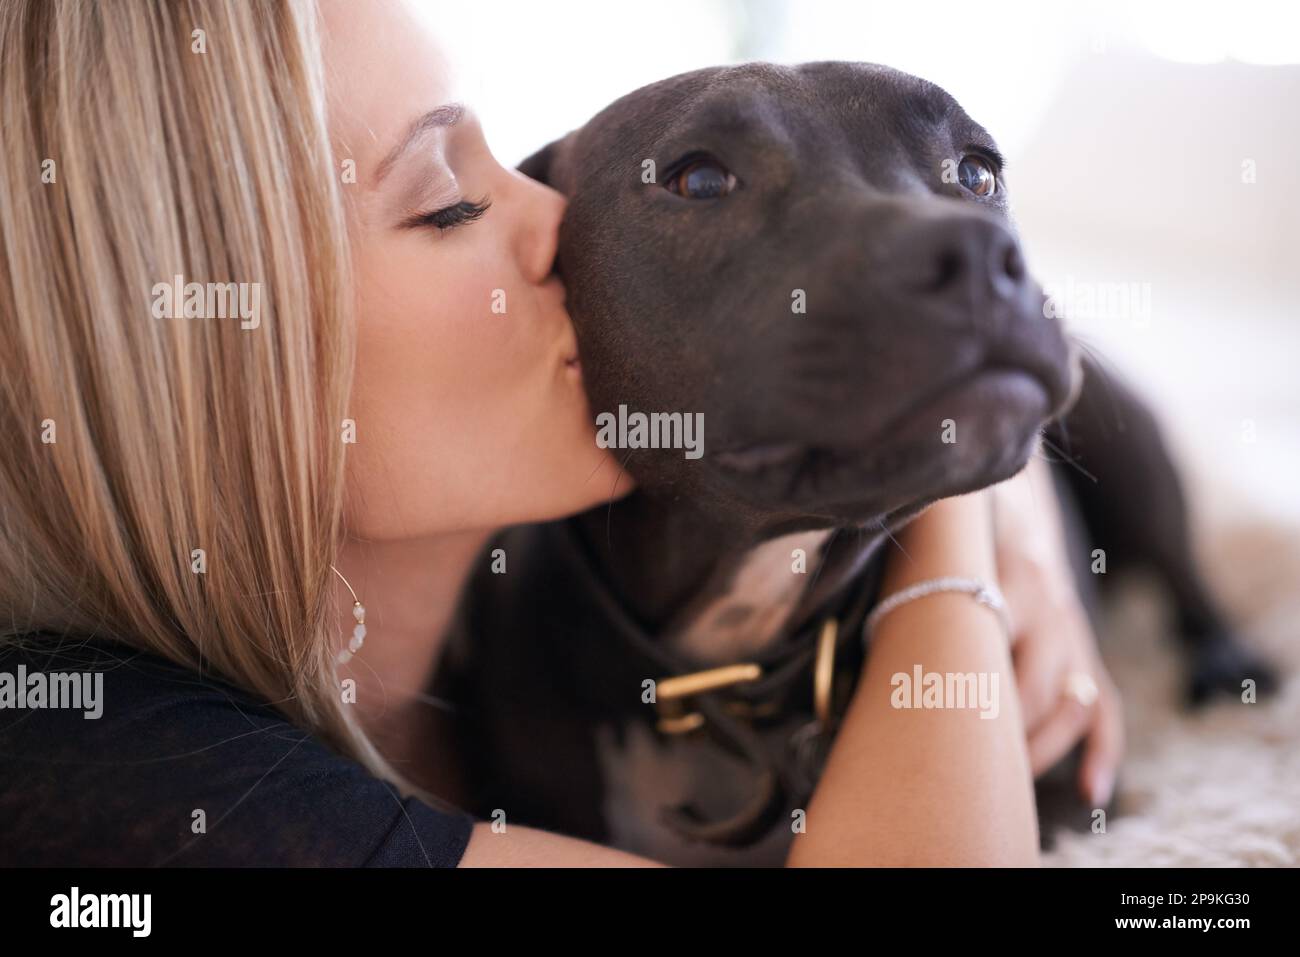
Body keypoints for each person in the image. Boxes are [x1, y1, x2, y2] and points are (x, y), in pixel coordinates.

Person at [0, 0, 1120, 867]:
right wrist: (952, 534)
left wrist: (957, 450)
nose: (560, 211)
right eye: (445, 202)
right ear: (224, 356)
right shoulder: (113, 766)